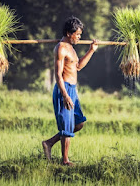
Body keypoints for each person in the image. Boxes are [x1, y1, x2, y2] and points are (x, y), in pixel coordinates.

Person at [42, 16, 98, 166]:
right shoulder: (61, 48)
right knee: (67, 126)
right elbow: (58, 75)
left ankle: (49, 143)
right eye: (77, 34)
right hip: (64, 89)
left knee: (79, 123)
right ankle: (65, 160)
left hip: (72, 89)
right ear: (68, 33)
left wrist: (91, 51)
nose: (79, 37)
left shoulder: (71, 48)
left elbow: (78, 66)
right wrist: (65, 95)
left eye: (80, 35)